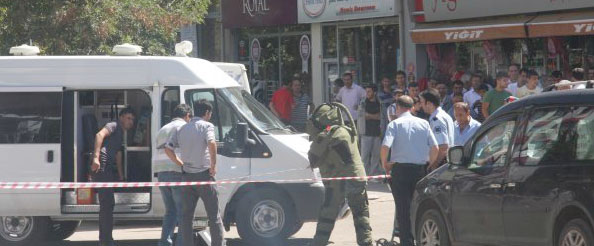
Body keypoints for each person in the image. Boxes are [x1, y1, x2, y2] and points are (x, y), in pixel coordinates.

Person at [308, 102, 374, 246]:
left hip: (340, 181)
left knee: (327, 214)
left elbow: (313, 158)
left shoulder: (328, 133)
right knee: (361, 215)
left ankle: (318, 243)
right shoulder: (346, 130)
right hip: (357, 177)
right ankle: (366, 243)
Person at [380, 95, 439, 246]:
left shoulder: (395, 124)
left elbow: (385, 146)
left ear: (398, 107)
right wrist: (430, 166)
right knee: (420, 206)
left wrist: (385, 164)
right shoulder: (424, 123)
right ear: (412, 107)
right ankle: (421, 239)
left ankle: (407, 242)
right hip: (419, 170)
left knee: (403, 208)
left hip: (400, 170)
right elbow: (435, 148)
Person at [165, 100, 224, 246]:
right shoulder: (207, 126)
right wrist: (213, 165)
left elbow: (168, 148)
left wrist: (180, 163)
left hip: (187, 178)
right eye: (210, 114)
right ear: (207, 113)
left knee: (186, 218)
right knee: (214, 216)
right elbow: (211, 143)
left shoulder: (182, 129)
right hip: (204, 176)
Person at [91, 107, 136, 246]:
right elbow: (99, 135)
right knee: (107, 205)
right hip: (102, 166)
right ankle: (105, 241)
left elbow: (118, 154)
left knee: (108, 205)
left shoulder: (120, 133)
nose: (131, 122)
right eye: (128, 118)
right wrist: (96, 158)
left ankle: (106, 239)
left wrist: (121, 176)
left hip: (108, 168)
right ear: (121, 117)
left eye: (133, 120)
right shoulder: (114, 125)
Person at [155, 104, 192, 246]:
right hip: (176, 172)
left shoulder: (163, 129)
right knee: (184, 211)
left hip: (162, 173)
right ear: (187, 115)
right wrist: (184, 165)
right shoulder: (182, 127)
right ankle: (182, 243)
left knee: (170, 211)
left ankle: (165, 242)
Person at [420, 89, 455, 170]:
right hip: (447, 162)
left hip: (441, 164)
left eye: (422, 102)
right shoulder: (444, 115)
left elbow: (443, 147)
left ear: (428, 103)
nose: (421, 105)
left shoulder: (437, 120)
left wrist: (434, 165)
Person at [358, 85, 384, 176]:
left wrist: (370, 115)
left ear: (374, 92)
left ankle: (373, 175)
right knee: (364, 156)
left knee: (376, 156)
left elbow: (381, 116)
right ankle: (363, 175)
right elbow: (362, 115)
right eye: (366, 91)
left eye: (369, 91)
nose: (367, 93)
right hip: (366, 133)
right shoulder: (363, 102)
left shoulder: (380, 103)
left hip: (377, 133)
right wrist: (374, 116)